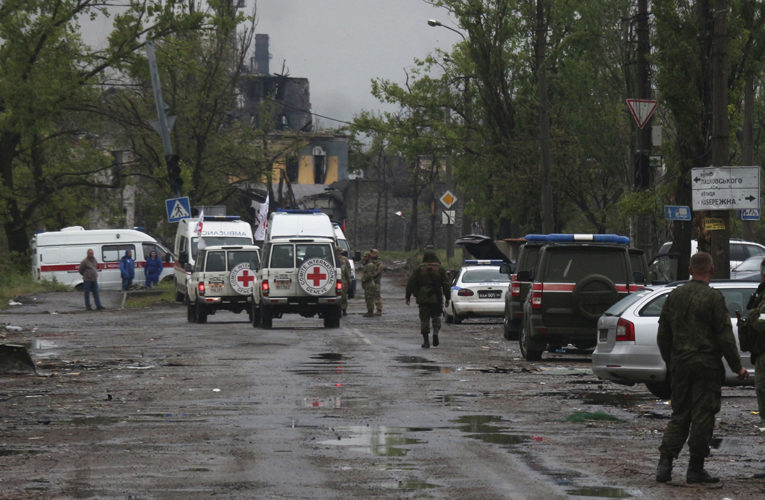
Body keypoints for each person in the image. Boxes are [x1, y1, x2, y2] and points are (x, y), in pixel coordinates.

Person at [655, 251, 748, 484]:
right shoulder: (713, 298)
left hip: (681, 364)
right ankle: (695, 468)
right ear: (712, 270)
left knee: (680, 414)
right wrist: (737, 367)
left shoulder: (674, 296)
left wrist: (671, 360)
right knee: (702, 416)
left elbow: (663, 334)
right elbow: (725, 337)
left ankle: (664, 464)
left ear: (689, 270)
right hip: (706, 365)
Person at [405, 249, 450, 348]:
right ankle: (436, 332)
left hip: (423, 298)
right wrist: (447, 298)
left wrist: (407, 296)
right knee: (436, 316)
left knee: (424, 319)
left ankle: (426, 342)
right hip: (436, 297)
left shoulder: (419, 269)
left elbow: (411, 283)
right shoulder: (440, 269)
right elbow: (446, 284)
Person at [335, 246, 351, 316]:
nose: (338, 252)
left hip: (343, 280)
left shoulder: (344, 260)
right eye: (337, 251)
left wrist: (349, 280)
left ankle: (344, 309)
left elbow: (348, 270)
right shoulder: (332, 258)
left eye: (339, 251)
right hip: (334, 280)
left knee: (343, 296)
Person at [361, 252, 376, 317]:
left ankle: (371, 312)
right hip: (367, 284)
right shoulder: (367, 264)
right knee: (367, 298)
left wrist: (363, 280)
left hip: (369, 283)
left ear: (369, 257)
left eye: (366, 257)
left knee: (370, 298)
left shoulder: (370, 265)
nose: (364, 258)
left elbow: (369, 275)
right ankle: (369, 311)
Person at [369, 248, 383, 315]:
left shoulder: (379, 262)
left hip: (376, 281)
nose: (372, 254)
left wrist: (371, 275)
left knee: (377, 296)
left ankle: (379, 310)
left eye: (374, 253)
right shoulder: (370, 261)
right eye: (371, 253)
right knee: (370, 296)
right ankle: (370, 310)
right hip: (369, 282)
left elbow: (378, 271)